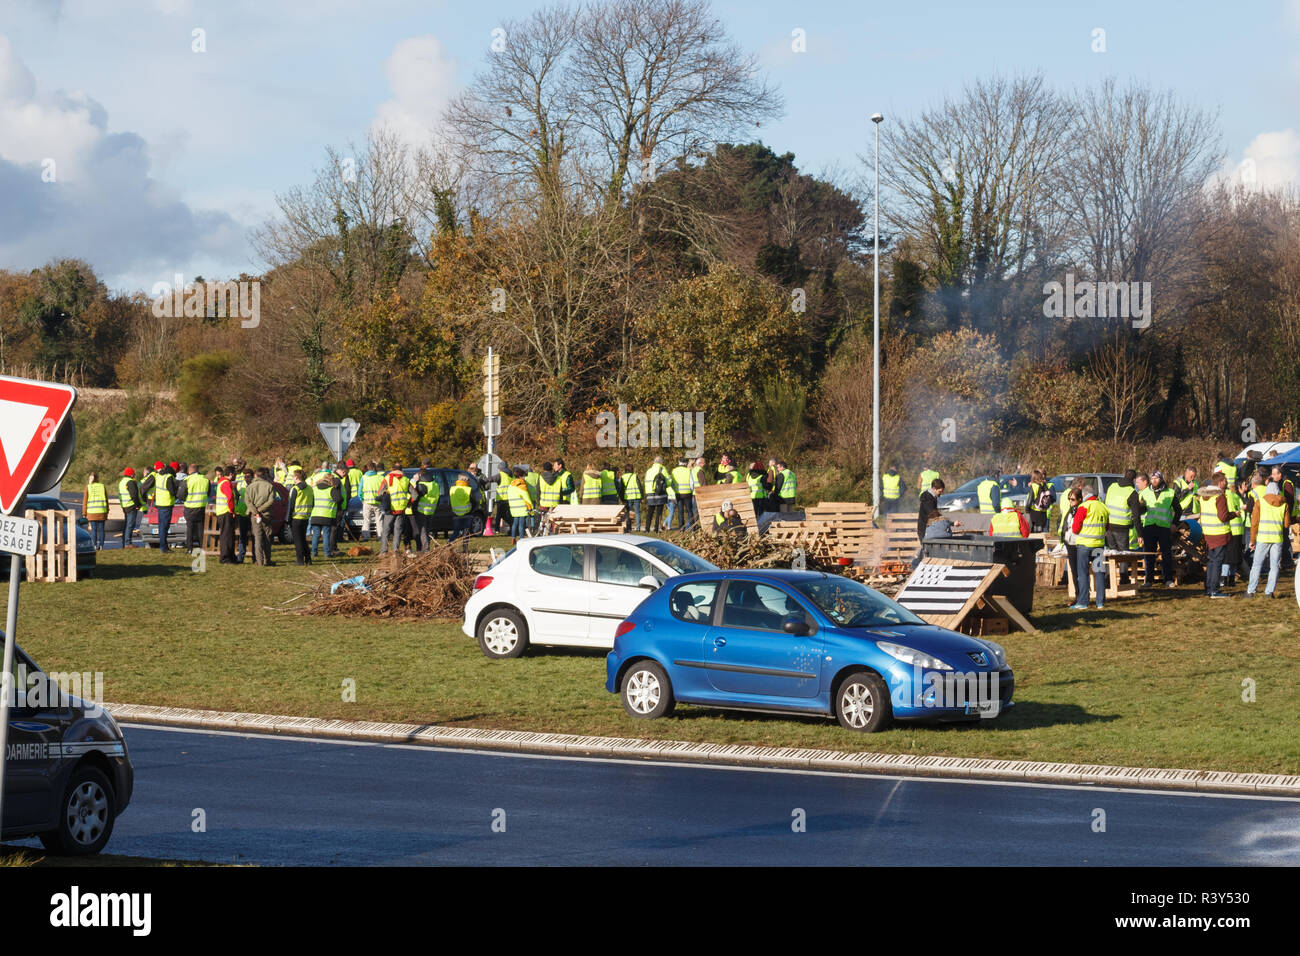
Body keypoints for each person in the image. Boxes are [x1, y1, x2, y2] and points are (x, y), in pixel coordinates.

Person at [1068, 485, 1109, 610]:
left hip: (1084, 546)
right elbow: (1107, 526)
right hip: (1099, 546)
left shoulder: (1084, 507)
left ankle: (1083, 602)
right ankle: (1100, 602)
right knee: (1099, 573)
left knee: (1083, 574)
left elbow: (1075, 528)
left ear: (1085, 495)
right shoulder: (1103, 507)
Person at [1248, 481, 1289, 598]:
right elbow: (1286, 524)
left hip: (1263, 538)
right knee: (1274, 566)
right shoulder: (1284, 504)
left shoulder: (1260, 502)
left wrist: (1252, 540)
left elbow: (1254, 523)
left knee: (1257, 565)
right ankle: (1269, 591)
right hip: (1277, 538)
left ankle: (1251, 591)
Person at [1196, 473, 1233, 598]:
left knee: (1211, 562)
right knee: (1217, 562)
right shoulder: (1219, 496)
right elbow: (1223, 517)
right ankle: (1215, 590)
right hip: (1219, 533)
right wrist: (1234, 514)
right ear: (1221, 482)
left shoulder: (1203, 497)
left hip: (1208, 533)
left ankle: (1208, 589)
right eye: (1226, 481)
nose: (1227, 483)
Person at [1136, 471, 1175, 587]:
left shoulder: (1170, 493)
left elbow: (1178, 510)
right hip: (1149, 526)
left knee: (1166, 554)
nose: (1154, 480)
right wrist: (1141, 507)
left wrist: (1175, 523)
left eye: (1156, 478)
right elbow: (1139, 511)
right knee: (1149, 555)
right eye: (1152, 478)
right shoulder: (1144, 492)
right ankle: (1149, 580)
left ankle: (1168, 579)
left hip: (1164, 527)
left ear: (1161, 479)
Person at [142, 461, 178, 553]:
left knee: (162, 526)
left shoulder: (157, 476)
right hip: (167, 504)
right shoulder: (168, 477)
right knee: (164, 527)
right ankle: (164, 547)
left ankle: (163, 546)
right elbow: (172, 492)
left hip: (159, 504)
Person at [246, 467, 276, 566]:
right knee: (267, 538)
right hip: (266, 515)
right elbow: (271, 501)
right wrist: (261, 509)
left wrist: (255, 511)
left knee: (257, 539)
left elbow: (248, 502)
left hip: (255, 516)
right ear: (264, 475)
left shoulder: (250, 487)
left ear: (255, 475)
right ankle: (267, 560)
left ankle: (259, 561)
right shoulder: (269, 486)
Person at [380, 464, 413, 556]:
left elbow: (379, 493)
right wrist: (408, 503)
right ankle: (395, 550)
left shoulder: (387, 478)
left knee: (386, 530)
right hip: (401, 509)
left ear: (392, 469)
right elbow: (415, 495)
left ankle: (384, 551)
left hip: (390, 509)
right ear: (401, 470)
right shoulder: (406, 479)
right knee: (398, 530)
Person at [309, 471, 342, 558]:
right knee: (326, 535)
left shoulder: (314, 489)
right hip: (327, 516)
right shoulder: (331, 489)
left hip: (315, 515)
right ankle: (327, 553)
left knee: (316, 535)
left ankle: (314, 552)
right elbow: (339, 499)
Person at [1104, 469, 1138, 551]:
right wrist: (1140, 534)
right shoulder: (1132, 492)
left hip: (1108, 526)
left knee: (1112, 555)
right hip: (1122, 528)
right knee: (1123, 556)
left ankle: (1111, 565)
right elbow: (1136, 516)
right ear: (1134, 480)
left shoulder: (1112, 486)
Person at [1058, 487, 1082, 600]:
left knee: (1079, 571)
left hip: (1078, 543)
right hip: (1070, 543)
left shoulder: (1080, 510)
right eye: (1069, 499)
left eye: (1072, 499)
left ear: (1080, 499)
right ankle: (1078, 594)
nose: (1070, 501)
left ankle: (1081, 595)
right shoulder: (1070, 509)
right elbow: (1065, 524)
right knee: (1073, 571)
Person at [180, 463, 210, 553]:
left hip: (190, 507)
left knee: (190, 529)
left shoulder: (187, 480)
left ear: (189, 471)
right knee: (201, 529)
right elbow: (208, 493)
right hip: (202, 507)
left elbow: (181, 495)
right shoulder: (205, 479)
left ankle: (190, 548)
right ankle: (202, 547)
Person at [286, 467, 313, 565]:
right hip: (305, 517)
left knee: (298, 541)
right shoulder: (309, 488)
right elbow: (313, 502)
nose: (293, 478)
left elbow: (291, 505)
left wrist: (287, 519)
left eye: (293, 476)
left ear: (297, 477)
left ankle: (300, 560)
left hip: (296, 518)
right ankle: (308, 559)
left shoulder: (295, 489)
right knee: (303, 540)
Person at [412, 467, 440, 551]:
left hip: (421, 510)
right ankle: (427, 548)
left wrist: (415, 481)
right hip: (431, 510)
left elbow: (415, 497)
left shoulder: (421, 485)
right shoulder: (435, 484)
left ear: (420, 475)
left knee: (422, 531)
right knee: (427, 530)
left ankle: (426, 549)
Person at [215, 467, 238, 564]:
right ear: (231, 474)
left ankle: (231, 557)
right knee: (226, 536)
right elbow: (230, 497)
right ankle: (225, 558)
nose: (236, 476)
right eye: (235, 474)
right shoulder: (225, 483)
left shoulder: (222, 482)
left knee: (229, 536)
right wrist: (232, 511)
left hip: (223, 512)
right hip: (226, 512)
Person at [506, 467, 535, 542]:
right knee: (521, 525)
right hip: (522, 508)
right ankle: (522, 539)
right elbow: (527, 497)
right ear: (521, 476)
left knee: (515, 523)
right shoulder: (521, 485)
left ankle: (513, 538)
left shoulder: (511, 485)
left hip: (513, 508)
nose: (524, 478)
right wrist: (531, 507)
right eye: (524, 476)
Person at [118, 467, 142, 548]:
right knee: (130, 524)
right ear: (131, 474)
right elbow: (134, 495)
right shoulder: (130, 482)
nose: (134, 475)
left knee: (127, 524)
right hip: (131, 505)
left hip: (124, 505)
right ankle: (128, 543)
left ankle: (125, 542)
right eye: (133, 474)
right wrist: (138, 505)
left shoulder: (122, 482)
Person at [644, 456, 670, 533]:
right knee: (659, 512)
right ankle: (656, 529)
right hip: (660, 493)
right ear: (661, 462)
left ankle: (647, 529)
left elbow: (645, 481)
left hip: (650, 493)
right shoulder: (662, 469)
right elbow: (668, 482)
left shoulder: (649, 470)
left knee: (650, 512)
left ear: (654, 462)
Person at [83, 472, 108, 550]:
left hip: (92, 512)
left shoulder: (88, 487)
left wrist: (84, 513)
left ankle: (94, 545)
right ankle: (101, 546)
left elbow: (85, 501)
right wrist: (107, 511)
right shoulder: (102, 486)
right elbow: (106, 500)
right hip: (102, 511)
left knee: (94, 530)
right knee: (101, 530)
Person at [449, 477, 474, 549]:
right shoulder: (468, 489)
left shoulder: (452, 489)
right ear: (466, 481)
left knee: (455, 532)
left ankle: (448, 545)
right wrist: (472, 509)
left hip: (456, 513)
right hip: (467, 513)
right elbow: (474, 500)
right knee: (466, 533)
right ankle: (465, 548)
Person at [360, 462, 383, 540]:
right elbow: (384, 490)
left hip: (367, 502)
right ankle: (380, 536)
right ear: (374, 468)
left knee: (366, 520)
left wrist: (362, 499)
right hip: (378, 502)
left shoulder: (364, 477)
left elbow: (360, 491)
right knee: (379, 520)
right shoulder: (380, 477)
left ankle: (366, 537)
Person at [917, 478, 945, 542]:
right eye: (939, 492)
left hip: (929, 529)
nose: (940, 494)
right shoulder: (928, 498)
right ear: (934, 489)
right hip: (925, 530)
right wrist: (950, 523)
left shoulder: (931, 497)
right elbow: (933, 514)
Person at [1026, 469, 1053, 534]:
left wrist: (1027, 510)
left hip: (1034, 513)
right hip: (1044, 513)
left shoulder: (1034, 486)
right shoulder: (1044, 485)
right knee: (1041, 533)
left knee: (1034, 534)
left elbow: (1030, 501)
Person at [670, 458, 694, 529]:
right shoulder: (688, 470)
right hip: (687, 493)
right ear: (685, 463)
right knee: (689, 510)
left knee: (680, 511)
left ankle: (681, 527)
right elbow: (691, 483)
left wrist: (674, 491)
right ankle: (692, 527)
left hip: (678, 494)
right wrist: (692, 491)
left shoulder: (674, 471)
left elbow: (672, 483)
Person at [620, 465, 642, 532]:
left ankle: (628, 527)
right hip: (636, 496)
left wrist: (622, 499)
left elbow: (621, 489)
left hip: (628, 497)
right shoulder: (635, 476)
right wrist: (642, 496)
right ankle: (638, 528)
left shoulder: (623, 477)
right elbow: (639, 486)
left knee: (628, 513)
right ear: (632, 469)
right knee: (637, 512)